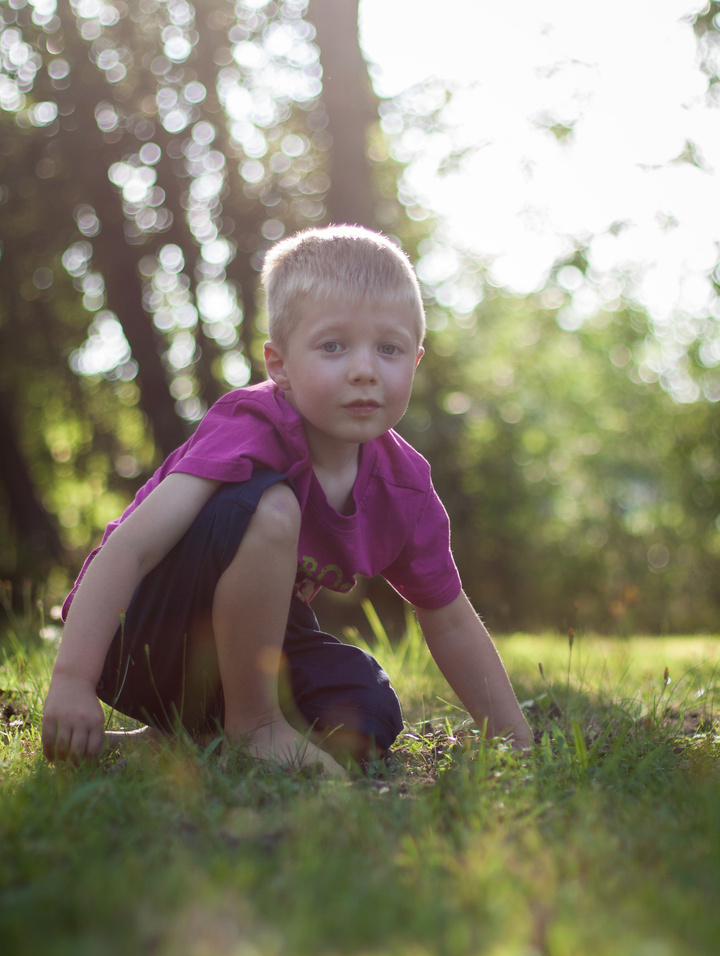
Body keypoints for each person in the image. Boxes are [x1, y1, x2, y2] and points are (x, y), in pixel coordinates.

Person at [42, 225, 532, 773]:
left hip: (241, 654)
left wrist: (516, 740)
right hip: (137, 633)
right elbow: (130, 548)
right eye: (332, 346)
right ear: (279, 366)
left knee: (366, 708)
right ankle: (254, 729)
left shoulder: (404, 486)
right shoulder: (248, 425)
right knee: (270, 508)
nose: (365, 369)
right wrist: (71, 681)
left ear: (415, 361)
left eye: (389, 349)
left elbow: (450, 620)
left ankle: (172, 741)